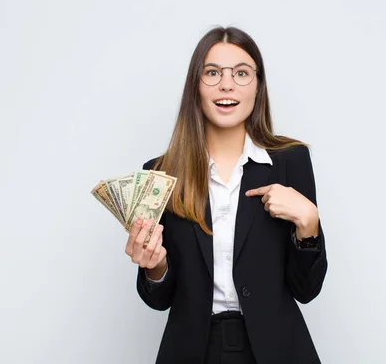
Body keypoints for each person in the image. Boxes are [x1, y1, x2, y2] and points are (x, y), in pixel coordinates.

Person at [124, 26, 328, 364]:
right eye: (213, 72)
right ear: (196, 87)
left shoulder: (291, 162)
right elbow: (159, 300)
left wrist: (309, 224)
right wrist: (155, 267)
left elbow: (306, 289)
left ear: (258, 86)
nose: (227, 84)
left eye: (242, 73)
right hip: (193, 351)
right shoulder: (160, 173)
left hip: (276, 350)